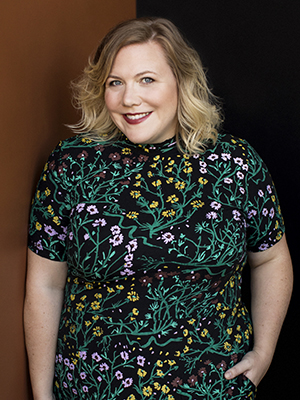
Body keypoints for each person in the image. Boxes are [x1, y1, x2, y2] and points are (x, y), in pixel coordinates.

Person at [24, 17, 293, 400]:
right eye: (115, 82)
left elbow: (271, 259)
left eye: (147, 79)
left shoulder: (236, 164)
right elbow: (45, 285)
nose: (129, 98)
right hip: (94, 390)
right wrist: (41, 394)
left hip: (212, 390)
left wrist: (264, 353)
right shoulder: (72, 167)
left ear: (182, 83)